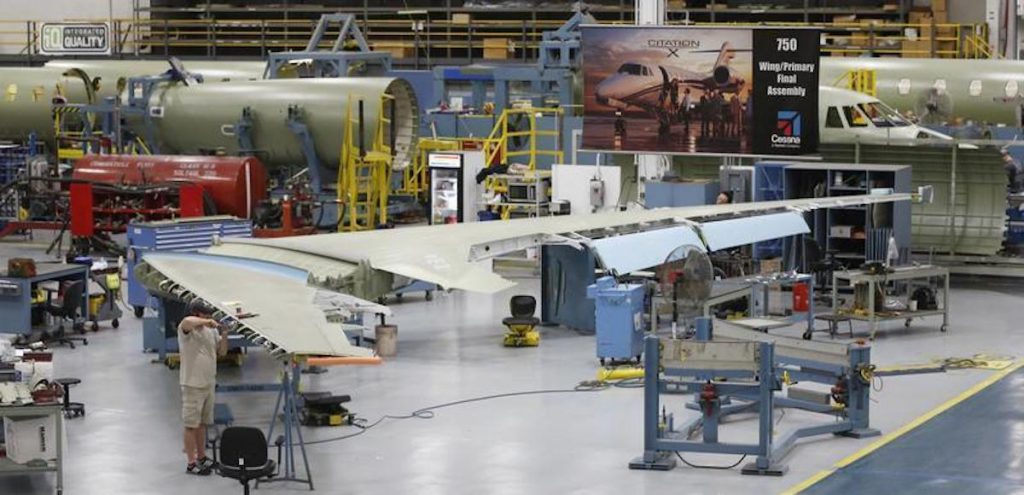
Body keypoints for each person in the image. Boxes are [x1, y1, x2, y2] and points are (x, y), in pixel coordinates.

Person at [178, 299, 229, 475]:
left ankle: (201, 457)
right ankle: (191, 463)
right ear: (197, 313)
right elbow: (187, 322)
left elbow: (221, 352)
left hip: (208, 383)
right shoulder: (187, 330)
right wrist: (207, 322)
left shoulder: (211, 331)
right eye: (206, 313)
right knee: (191, 424)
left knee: (202, 424)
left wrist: (224, 334)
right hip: (192, 384)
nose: (209, 316)